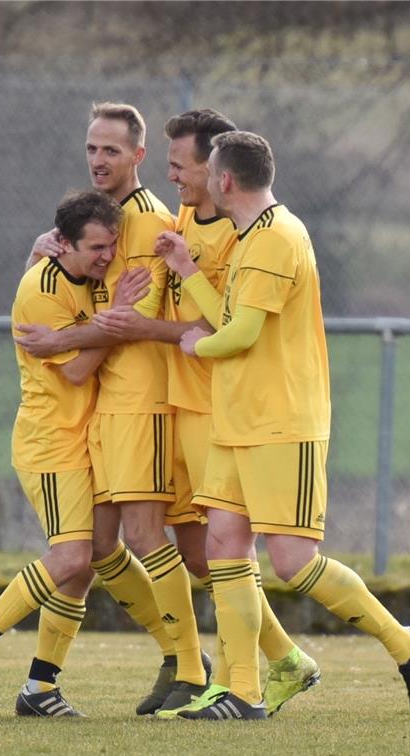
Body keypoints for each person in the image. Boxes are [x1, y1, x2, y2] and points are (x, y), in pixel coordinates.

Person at [154, 131, 410, 720]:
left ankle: (406, 645)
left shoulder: (277, 238)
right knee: (225, 545)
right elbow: (229, 316)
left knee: (293, 562)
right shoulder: (248, 235)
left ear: (225, 181)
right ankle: (245, 693)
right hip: (238, 421)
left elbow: (240, 334)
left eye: (206, 172)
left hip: (283, 423)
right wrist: (185, 269)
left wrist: (195, 346)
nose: (199, 181)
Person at [93, 109, 319, 718]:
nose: (173, 177)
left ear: (217, 171)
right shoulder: (180, 219)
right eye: (92, 147)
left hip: (210, 408)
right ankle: (261, 666)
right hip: (178, 404)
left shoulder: (248, 234)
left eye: (178, 165)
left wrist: (154, 329)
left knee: (209, 548)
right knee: (205, 549)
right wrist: (52, 249)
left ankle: (200, 670)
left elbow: (219, 325)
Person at [17, 102, 208, 715]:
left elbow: (126, 322)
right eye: (92, 149)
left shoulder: (147, 223)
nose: (99, 160)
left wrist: (61, 342)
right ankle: (51, 684)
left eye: (112, 151)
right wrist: (39, 257)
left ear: (138, 156)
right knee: (100, 547)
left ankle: (198, 665)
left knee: (161, 538)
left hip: (140, 398)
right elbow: (74, 302)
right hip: (102, 402)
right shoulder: (99, 222)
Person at [0, 189, 145, 717]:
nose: (107, 256)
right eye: (97, 247)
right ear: (64, 245)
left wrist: (110, 315)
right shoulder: (42, 288)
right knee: (72, 558)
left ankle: (39, 689)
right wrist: (120, 319)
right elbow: (77, 370)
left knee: (82, 572)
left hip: (85, 439)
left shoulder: (85, 277)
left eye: (111, 245)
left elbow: (91, 333)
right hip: (51, 443)